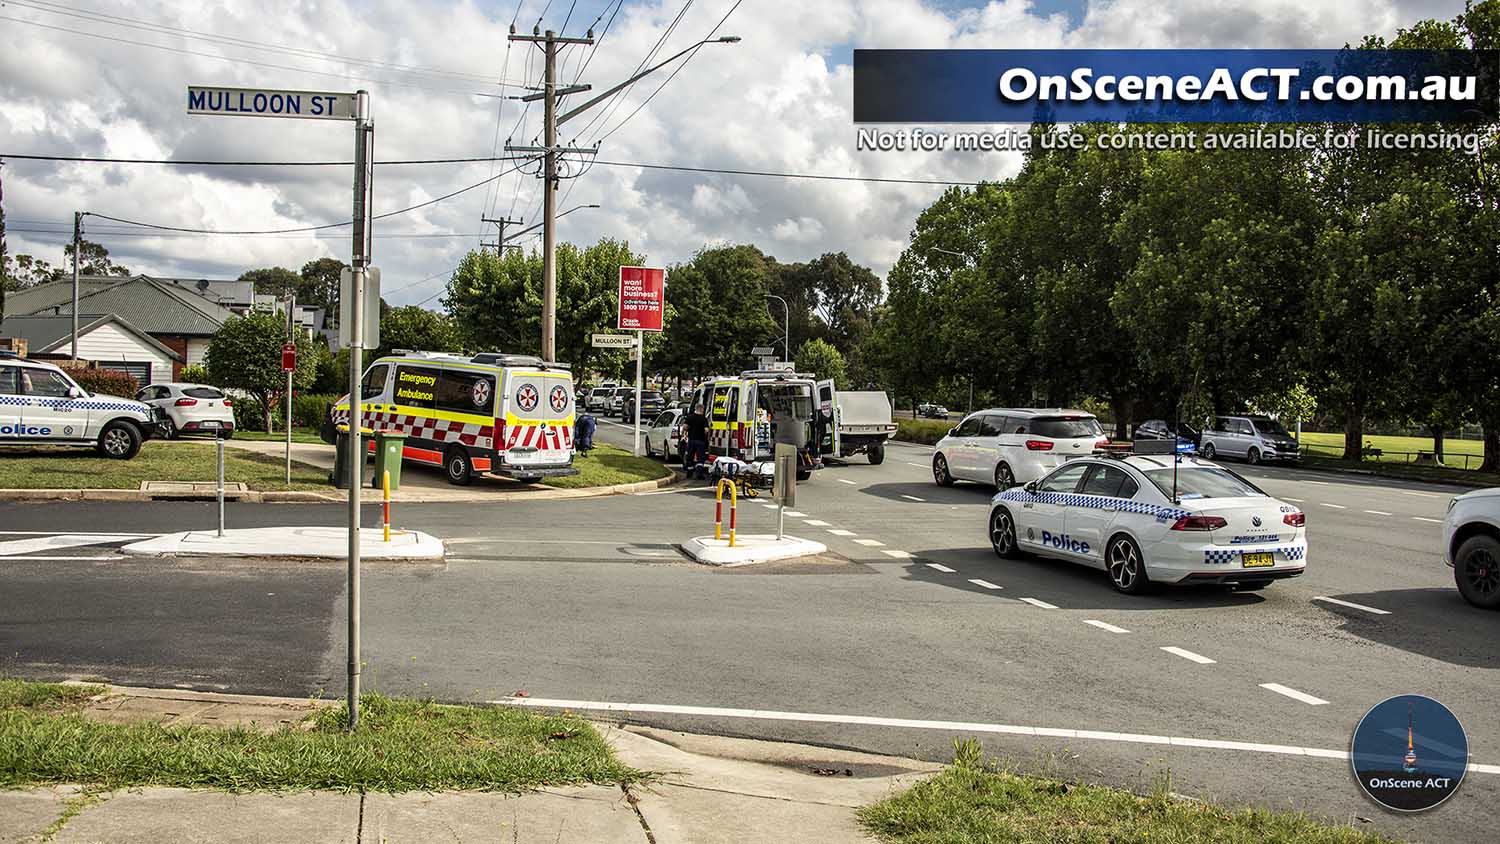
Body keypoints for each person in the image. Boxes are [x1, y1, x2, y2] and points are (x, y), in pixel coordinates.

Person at [683, 403, 711, 479]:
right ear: (702, 409)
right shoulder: (703, 419)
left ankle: (689, 473)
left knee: (690, 457)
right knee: (700, 458)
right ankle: (699, 474)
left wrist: (689, 428)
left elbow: (685, 427)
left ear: (695, 408)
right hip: (701, 441)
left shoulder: (690, 417)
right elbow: (706, 430)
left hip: (691, 440)